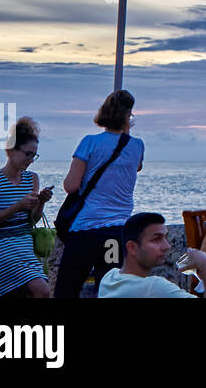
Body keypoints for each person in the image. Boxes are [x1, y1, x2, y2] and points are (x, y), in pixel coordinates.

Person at [54, 90, 145, 298]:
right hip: (116, 234)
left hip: (86, 231)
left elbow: (71, 186)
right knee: (109, 292)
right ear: (128, 116)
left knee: (67, 291)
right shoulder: (137, 146)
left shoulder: (90, 143)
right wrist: (126, 130)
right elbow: (136, 167)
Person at [0, 117, 52, 297]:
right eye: (27, 154)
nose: (30, 160)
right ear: (11, 150)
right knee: (42, 291)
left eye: (33, 155)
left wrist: (41, 202)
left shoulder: (32, 179)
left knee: (38, 291)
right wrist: (18, 206)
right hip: (1, 246)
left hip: (25, 245)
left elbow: (32, 220)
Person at [98, 212, 206, 298]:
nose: (167, 246)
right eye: (156, 239)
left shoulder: (109, 277)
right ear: (132, 247)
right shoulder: (154, 287)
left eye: (165, 238)